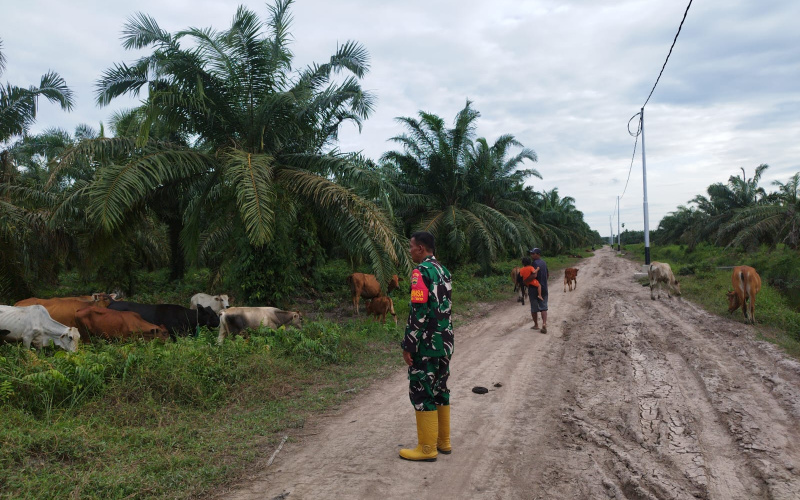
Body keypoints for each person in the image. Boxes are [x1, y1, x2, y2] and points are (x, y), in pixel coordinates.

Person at [399, 231, 453, 462]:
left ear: (421, 248)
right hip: (445, 341)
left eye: (411, 246)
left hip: (426, 344)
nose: (409, 250)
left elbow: (418, 310)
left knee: (422, 391)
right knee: (440, 388)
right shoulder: (443, 270)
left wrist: (409, 344)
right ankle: (444, 442)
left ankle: (427, 448)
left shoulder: (420, 272)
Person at [525, 247, 548, 333]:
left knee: (534, 307)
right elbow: (548, 274)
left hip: (534, 288)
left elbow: (534, 275)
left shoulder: (533, 264)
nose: (531, 255)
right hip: (544, 287)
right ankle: (544, 323)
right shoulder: (544, 263)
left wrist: (526, 281)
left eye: (533, 253)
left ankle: (536, 325)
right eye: (531, 253)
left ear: (538, 254)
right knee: (543, 307)